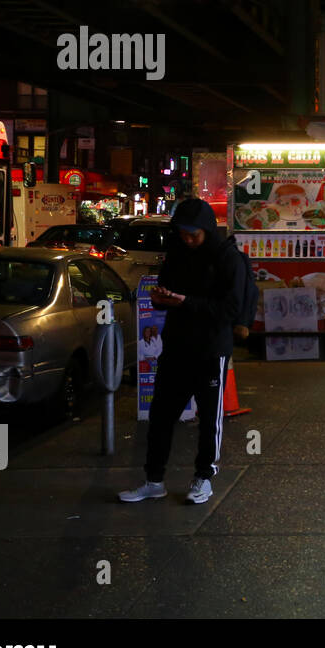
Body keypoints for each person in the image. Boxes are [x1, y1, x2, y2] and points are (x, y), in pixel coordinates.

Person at [119, 198, 244, 505]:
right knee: (160, 415)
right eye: (183, 233)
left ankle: (203, 478)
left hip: (211, 348)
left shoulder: (227, 257)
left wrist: (185, 301)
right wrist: (160, 297)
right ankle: (153, 480)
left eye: (194, 234)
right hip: (176, 345)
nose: (188, 239)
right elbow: (164, 287)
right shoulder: (177, 252)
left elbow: (231, 308)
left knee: (209, 419)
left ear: (207, 230)